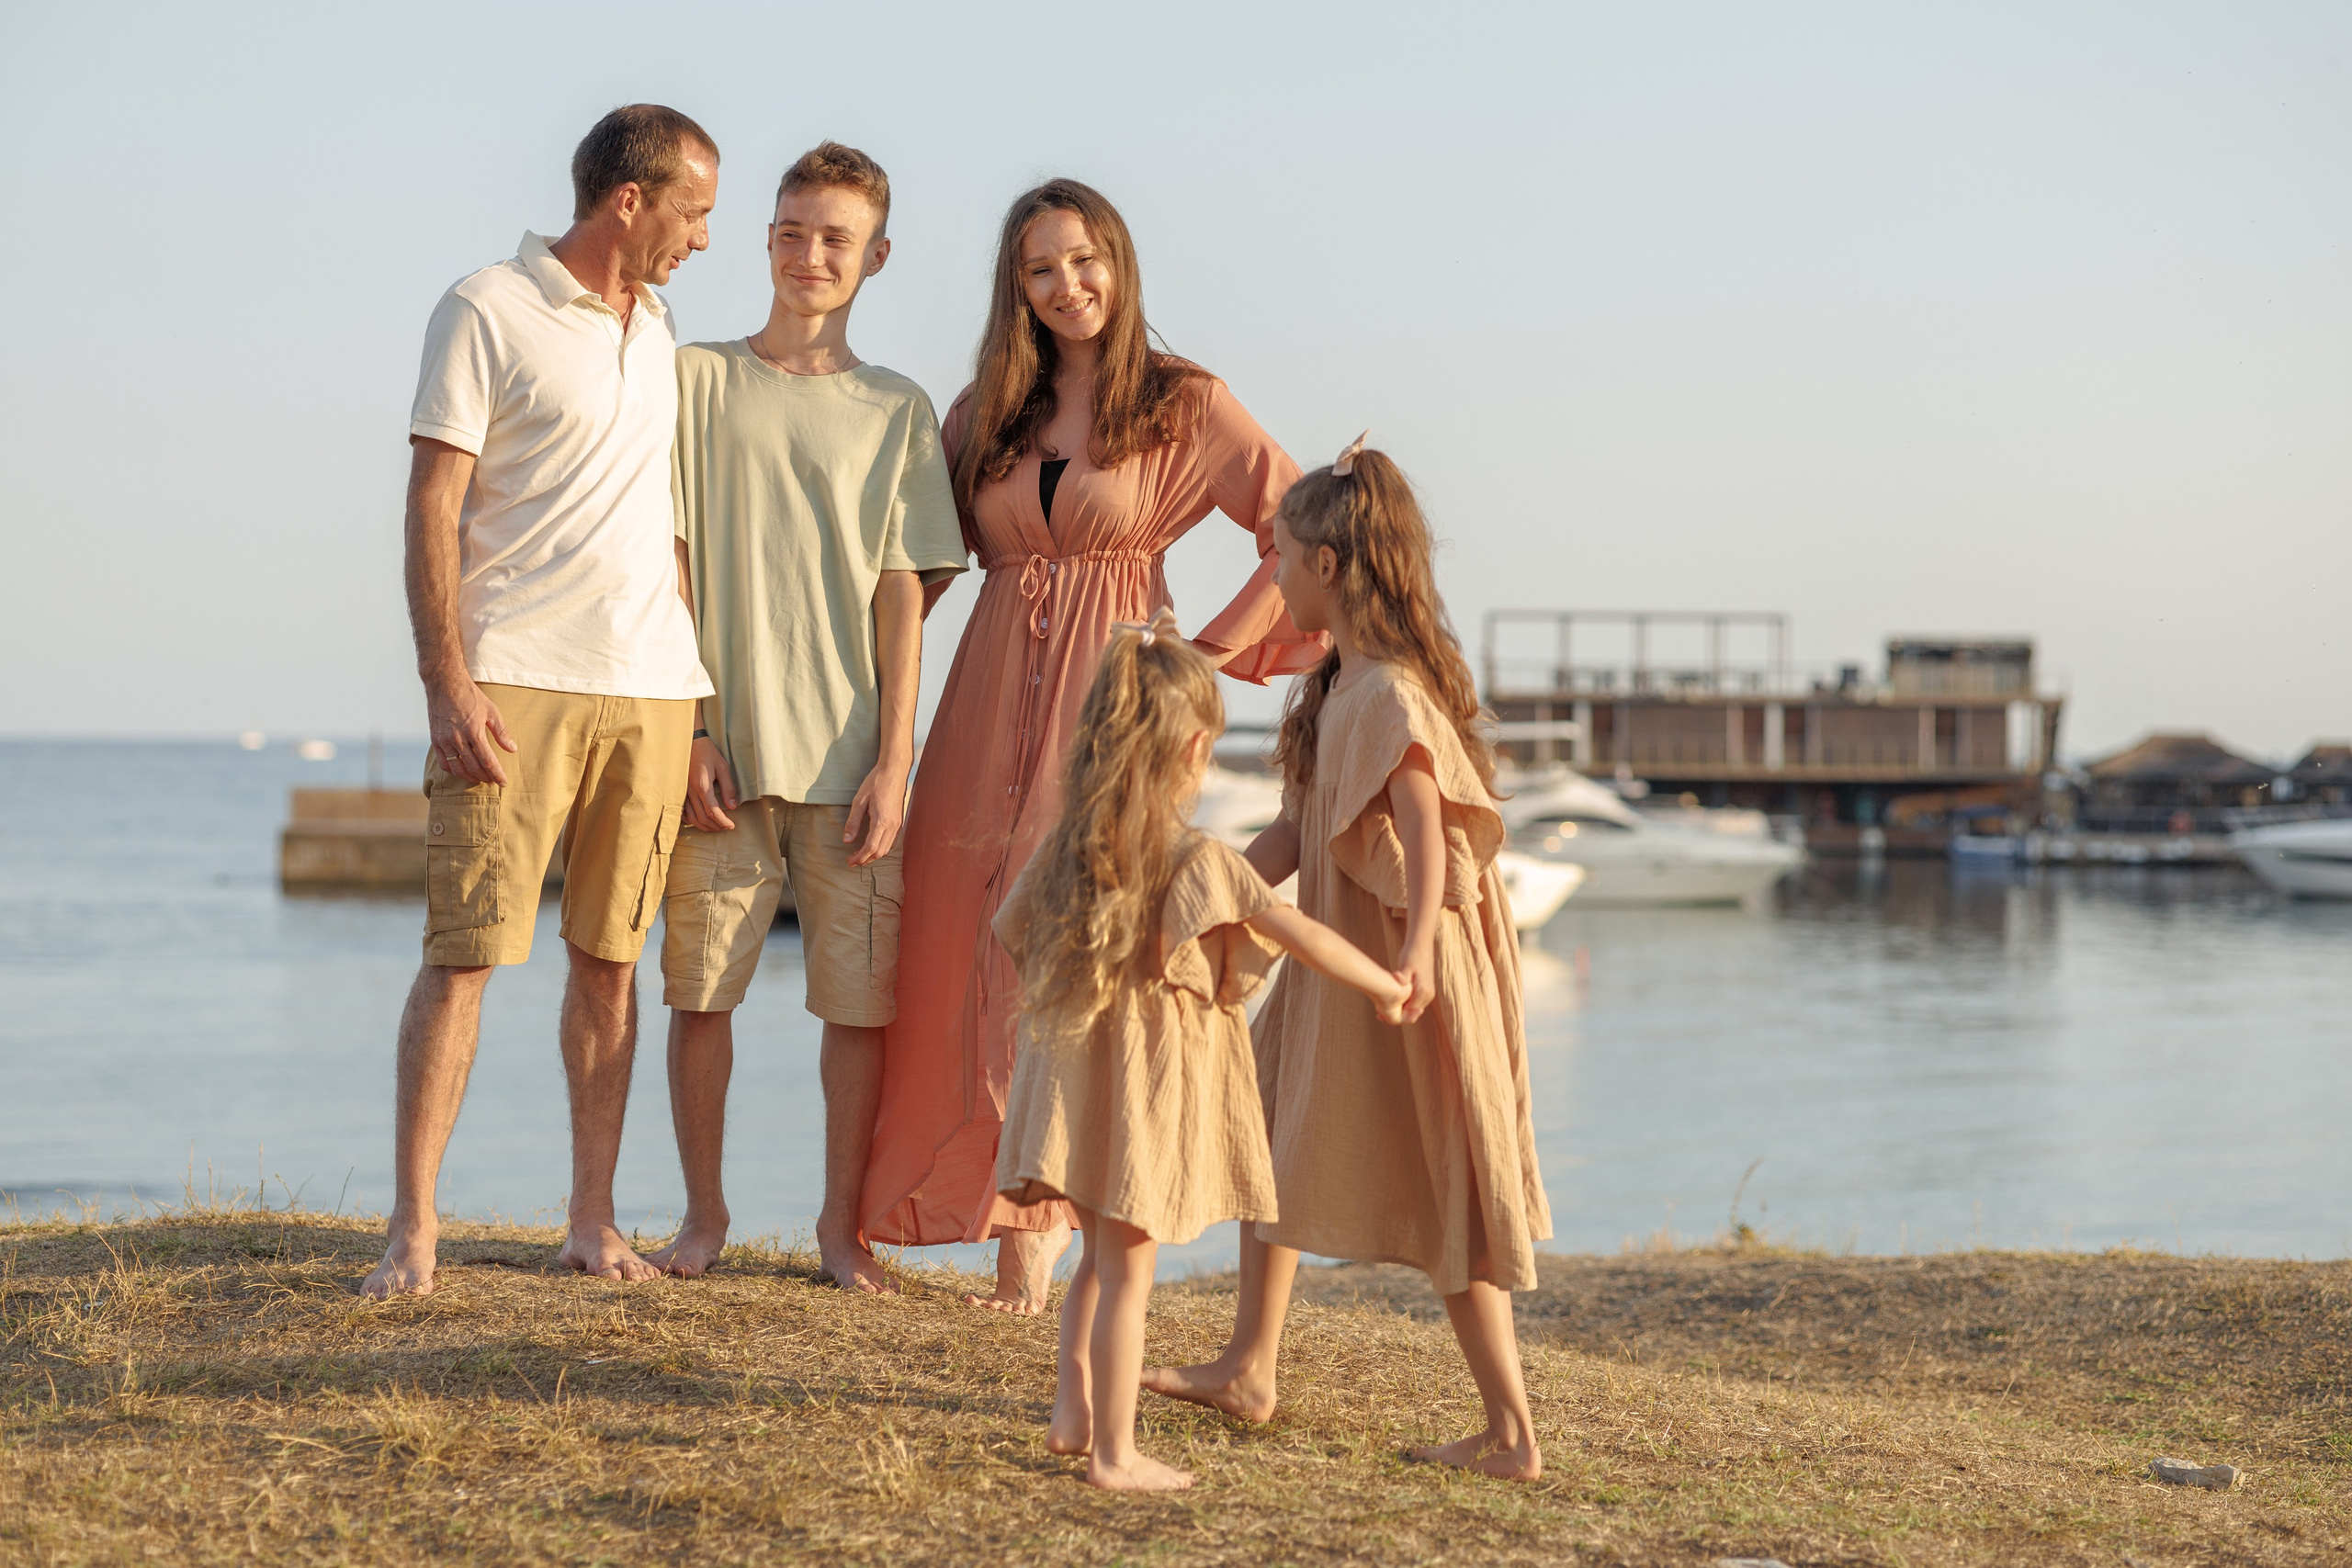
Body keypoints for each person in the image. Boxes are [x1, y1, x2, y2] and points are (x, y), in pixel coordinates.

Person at [860, 179, 1327, 1313]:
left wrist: (1205, 657)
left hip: (1111, 707)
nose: (1066, 287)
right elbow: (912, 564)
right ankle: (943, 1206)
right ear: (1013, 288)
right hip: (983, 697)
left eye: (1083, 262)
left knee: (1070, 942)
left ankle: (1037, 1246)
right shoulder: (987, 410)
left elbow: (1304, 526)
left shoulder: (1183, 402)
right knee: (958, 929)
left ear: (1117, 264)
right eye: (1039, 270)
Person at [362, 106, 720, 1300]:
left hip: (652, 687)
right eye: (697, 210)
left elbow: (660, 528)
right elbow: (431, 503)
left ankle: (590, 1219)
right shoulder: (486, 307)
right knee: (465, 956)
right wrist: (445, 679)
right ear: (632, 200)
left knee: (611, 958)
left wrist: (700, 700)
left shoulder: (662, 328)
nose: (705, 238)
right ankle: (413, 1230)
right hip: (513, 677)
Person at [1142, 438, 1553, 1480]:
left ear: (1327, 566)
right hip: (1348, 962)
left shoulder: (1391, 695)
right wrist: (1201, 891)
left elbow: (1423, 820)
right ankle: (1248, 1366)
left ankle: (1509, 1433)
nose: (1272, 579)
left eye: (1280, 558)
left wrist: (1413, 957)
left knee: (1443, 1179)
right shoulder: (1339, 689)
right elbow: (1291, 836)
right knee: (1273, 1129)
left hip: (1409, 969)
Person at [992, 611, 1410, 1491]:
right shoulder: (1197, 858)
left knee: (1100, 1266)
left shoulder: (1072, 851)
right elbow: (1293, 927)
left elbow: (1011, 932)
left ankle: (1074, 1417)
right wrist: (1385, 982)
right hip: (1143, 1100)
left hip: (1081, 1087)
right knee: (1130, 1277)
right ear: (1189, 752)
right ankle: (1116, 1452)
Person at [650, 143, 963, 1292]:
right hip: (717, 759)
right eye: (790, 230)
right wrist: (686, 728)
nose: (808, 254)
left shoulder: (898, 410)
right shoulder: (695, 380)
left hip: (850, 768)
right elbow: (666, 563)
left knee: (857, 1011)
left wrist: (896, 760)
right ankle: (702, 1222)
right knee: (698, 996)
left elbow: (903, 594)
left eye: (835, 238)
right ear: (764, 238)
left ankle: (842, 1233)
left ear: (875, 257)